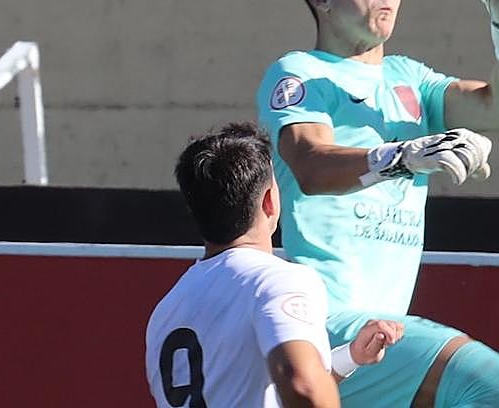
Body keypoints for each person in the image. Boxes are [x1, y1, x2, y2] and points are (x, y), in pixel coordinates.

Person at [257, 0, 499, 408]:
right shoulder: (299, 71)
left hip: (383, 331)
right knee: (494, 386)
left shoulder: (411, 80)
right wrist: (402, 155)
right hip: (322, 321)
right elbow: (310, 162)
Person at [146, 122, 404, 408]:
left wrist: (350, 356)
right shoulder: (277, 280)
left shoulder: (167, 309)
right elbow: (303, 386)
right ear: (270, 201)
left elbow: (250, 391)